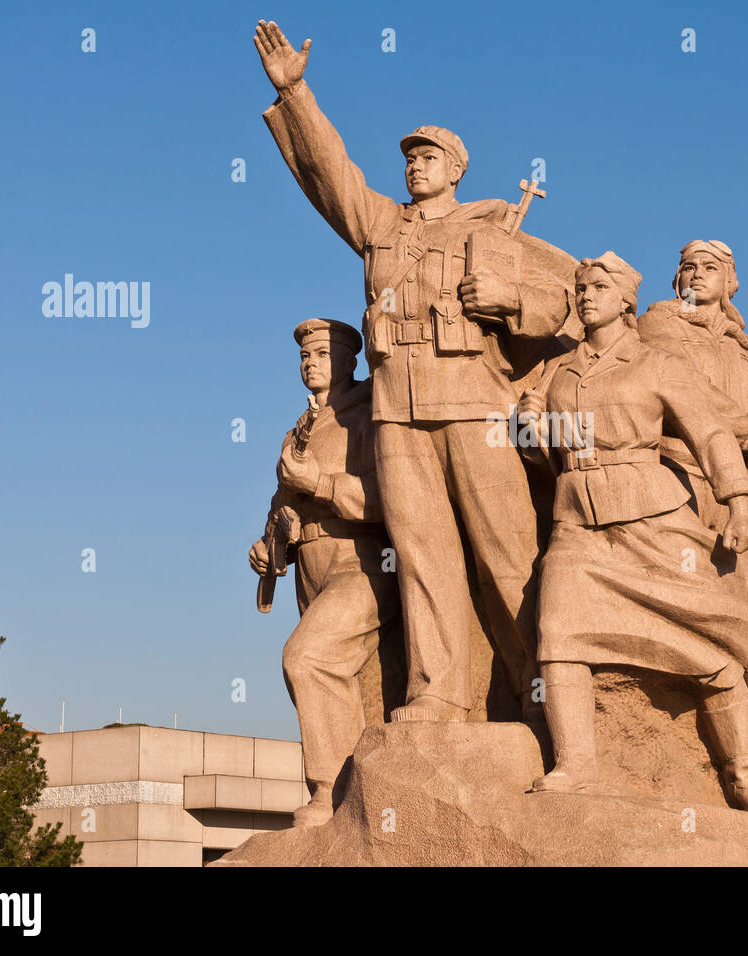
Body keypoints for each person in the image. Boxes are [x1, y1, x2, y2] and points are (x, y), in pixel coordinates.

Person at [255, 20, 574, 721]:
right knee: (422, 555)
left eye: (429, 157)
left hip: (473, 404)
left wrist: (509, 298)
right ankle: (440, 694)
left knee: (507, 552)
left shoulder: (489, 228)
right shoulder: (380, 228)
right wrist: (298, 94)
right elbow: (328, 173)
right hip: (397, 408)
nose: (415, 165)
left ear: (456, 169)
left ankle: (542, 695)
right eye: (410, 157)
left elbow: (562, 299)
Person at [517, 252, 748, 812]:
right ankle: (576, 763)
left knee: (710, 640)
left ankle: (744, 775)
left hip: (652, 515)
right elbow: (536, 435)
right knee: (558, 629)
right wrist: (527, 420)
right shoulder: (557, 371)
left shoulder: (655, 361)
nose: (585, 295)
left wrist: (738, 502)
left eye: (598, 286)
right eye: (580, 287)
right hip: (577, 518)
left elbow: (711, 433)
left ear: (626, 301)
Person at [248, 319, 398, 827]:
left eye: (321, 353)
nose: (309, 362)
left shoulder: (373, 412)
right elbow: (282, 506)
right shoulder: (299, 429)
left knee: (307, 657)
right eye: (304, 355)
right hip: (309, 568)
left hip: (363, 562)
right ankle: (354, 788)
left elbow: (397, 496)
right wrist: (271, 548)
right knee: (328, 673)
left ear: (349, 360)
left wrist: (320, 482)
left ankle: (330, 788)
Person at [638, 240, 748, 598]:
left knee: (735, 598)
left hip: (735, 484)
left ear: (729, 283)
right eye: (690, 268)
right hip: (678, 472)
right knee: (682, 591)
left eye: (710, 268)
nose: (698, 275)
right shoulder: (656, 324)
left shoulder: (738, 345)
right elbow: (696, 392)